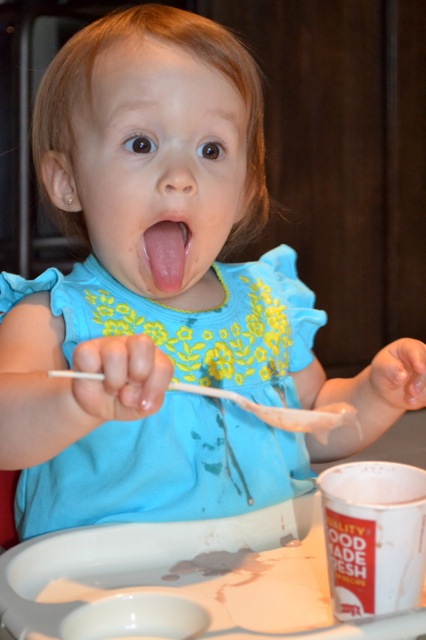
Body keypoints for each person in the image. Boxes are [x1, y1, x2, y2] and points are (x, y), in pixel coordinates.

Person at [0, 4, 425, 542]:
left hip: (262, 569)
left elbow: (314, 421)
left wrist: (377, 393)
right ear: (67, 181)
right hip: (111, 580)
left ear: (245, 190)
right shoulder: (54, 318)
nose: (180, 177)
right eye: (141, 143)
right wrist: (77, 399)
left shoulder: (266, 304)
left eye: (211, 149)